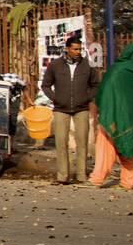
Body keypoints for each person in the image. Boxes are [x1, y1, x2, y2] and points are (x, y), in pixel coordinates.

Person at [40, 34, 101, 185]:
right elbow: (45, 85)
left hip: (81, 108)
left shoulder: (87, 65)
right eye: (75, 49)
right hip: (61, 109)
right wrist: (55, 98)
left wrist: (87, 97)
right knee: (61, 142)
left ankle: (81, 176)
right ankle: (62, 176)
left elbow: (96, 85)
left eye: (80, 49)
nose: (78, 52)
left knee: (82, 143)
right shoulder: (55, 65)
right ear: (67, 49)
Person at [88, 43, 133, 190]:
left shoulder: (114, 71)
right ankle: (127, 182)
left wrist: (100, 113)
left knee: (105, 147)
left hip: (111, 115)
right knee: (132, 147)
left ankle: (97, 179)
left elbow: (103, 93)